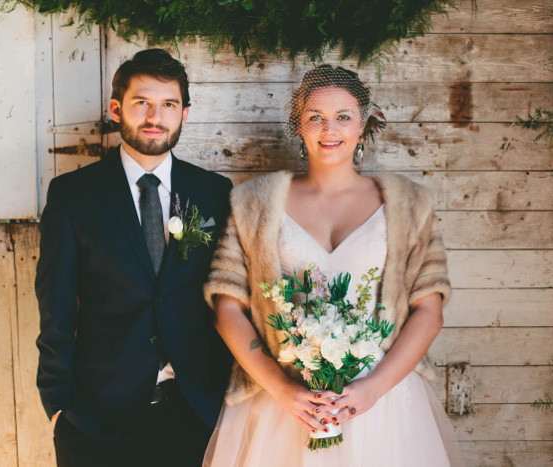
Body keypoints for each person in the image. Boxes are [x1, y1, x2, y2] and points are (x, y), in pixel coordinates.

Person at [202, 65, 464, 466]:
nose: (330, 129)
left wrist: (373, 389)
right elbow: (227, 306)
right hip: (284, 402)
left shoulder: (410, 204)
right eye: (315, 117)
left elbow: (429, 311)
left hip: (384, 403)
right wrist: (281, 388)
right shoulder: (253, 203)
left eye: (343, 116)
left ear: (363, 124)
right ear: (298, 125)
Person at [35, 49, 233, 467]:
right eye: (142, 102)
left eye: (168, 105)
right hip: (95, 416)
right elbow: (55, 305)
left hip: (195, 410)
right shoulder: (73, 196)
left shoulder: (213, 192)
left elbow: (227, 297)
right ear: (116, 108)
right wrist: (57, 402)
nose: (154, 117)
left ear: (185, 113)